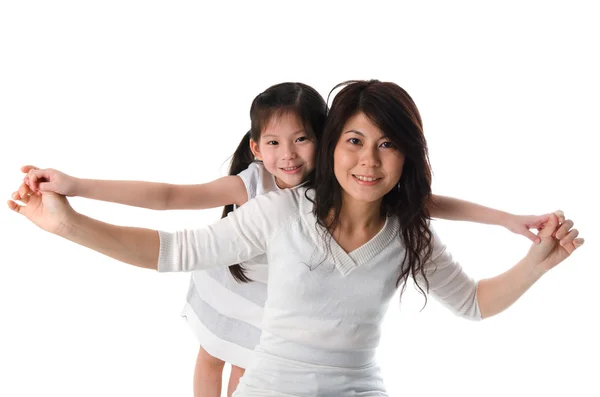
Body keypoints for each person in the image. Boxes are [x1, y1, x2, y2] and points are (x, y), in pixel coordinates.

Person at [9, 79, 583, 396]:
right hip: (270, 382)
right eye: (355, 140)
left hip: (358, 388)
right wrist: (69, 221)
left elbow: (475, 303)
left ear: (406, 156)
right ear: (334, 147)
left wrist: (537, 260)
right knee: (214, 360)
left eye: (387, 145)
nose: (368, 159)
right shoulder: (282, 210)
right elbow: (175, 246)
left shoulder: (411, 234)